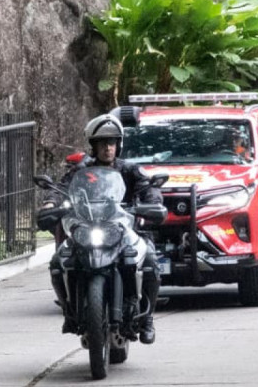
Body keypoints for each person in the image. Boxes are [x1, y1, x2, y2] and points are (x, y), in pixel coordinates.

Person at [51, 114, 165, 344]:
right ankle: (69, 312)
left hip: (123, 228)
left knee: (150, 259)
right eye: (102, 143)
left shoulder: (129, 170)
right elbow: (61, 189)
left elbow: (148, 189)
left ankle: (147, 318)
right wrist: (50, 202)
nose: (107, 148)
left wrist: (151, 202)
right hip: (88, 227)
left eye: (112, 142)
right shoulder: (80, 171)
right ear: (93, 146)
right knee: (58, 261)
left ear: (118, 144)